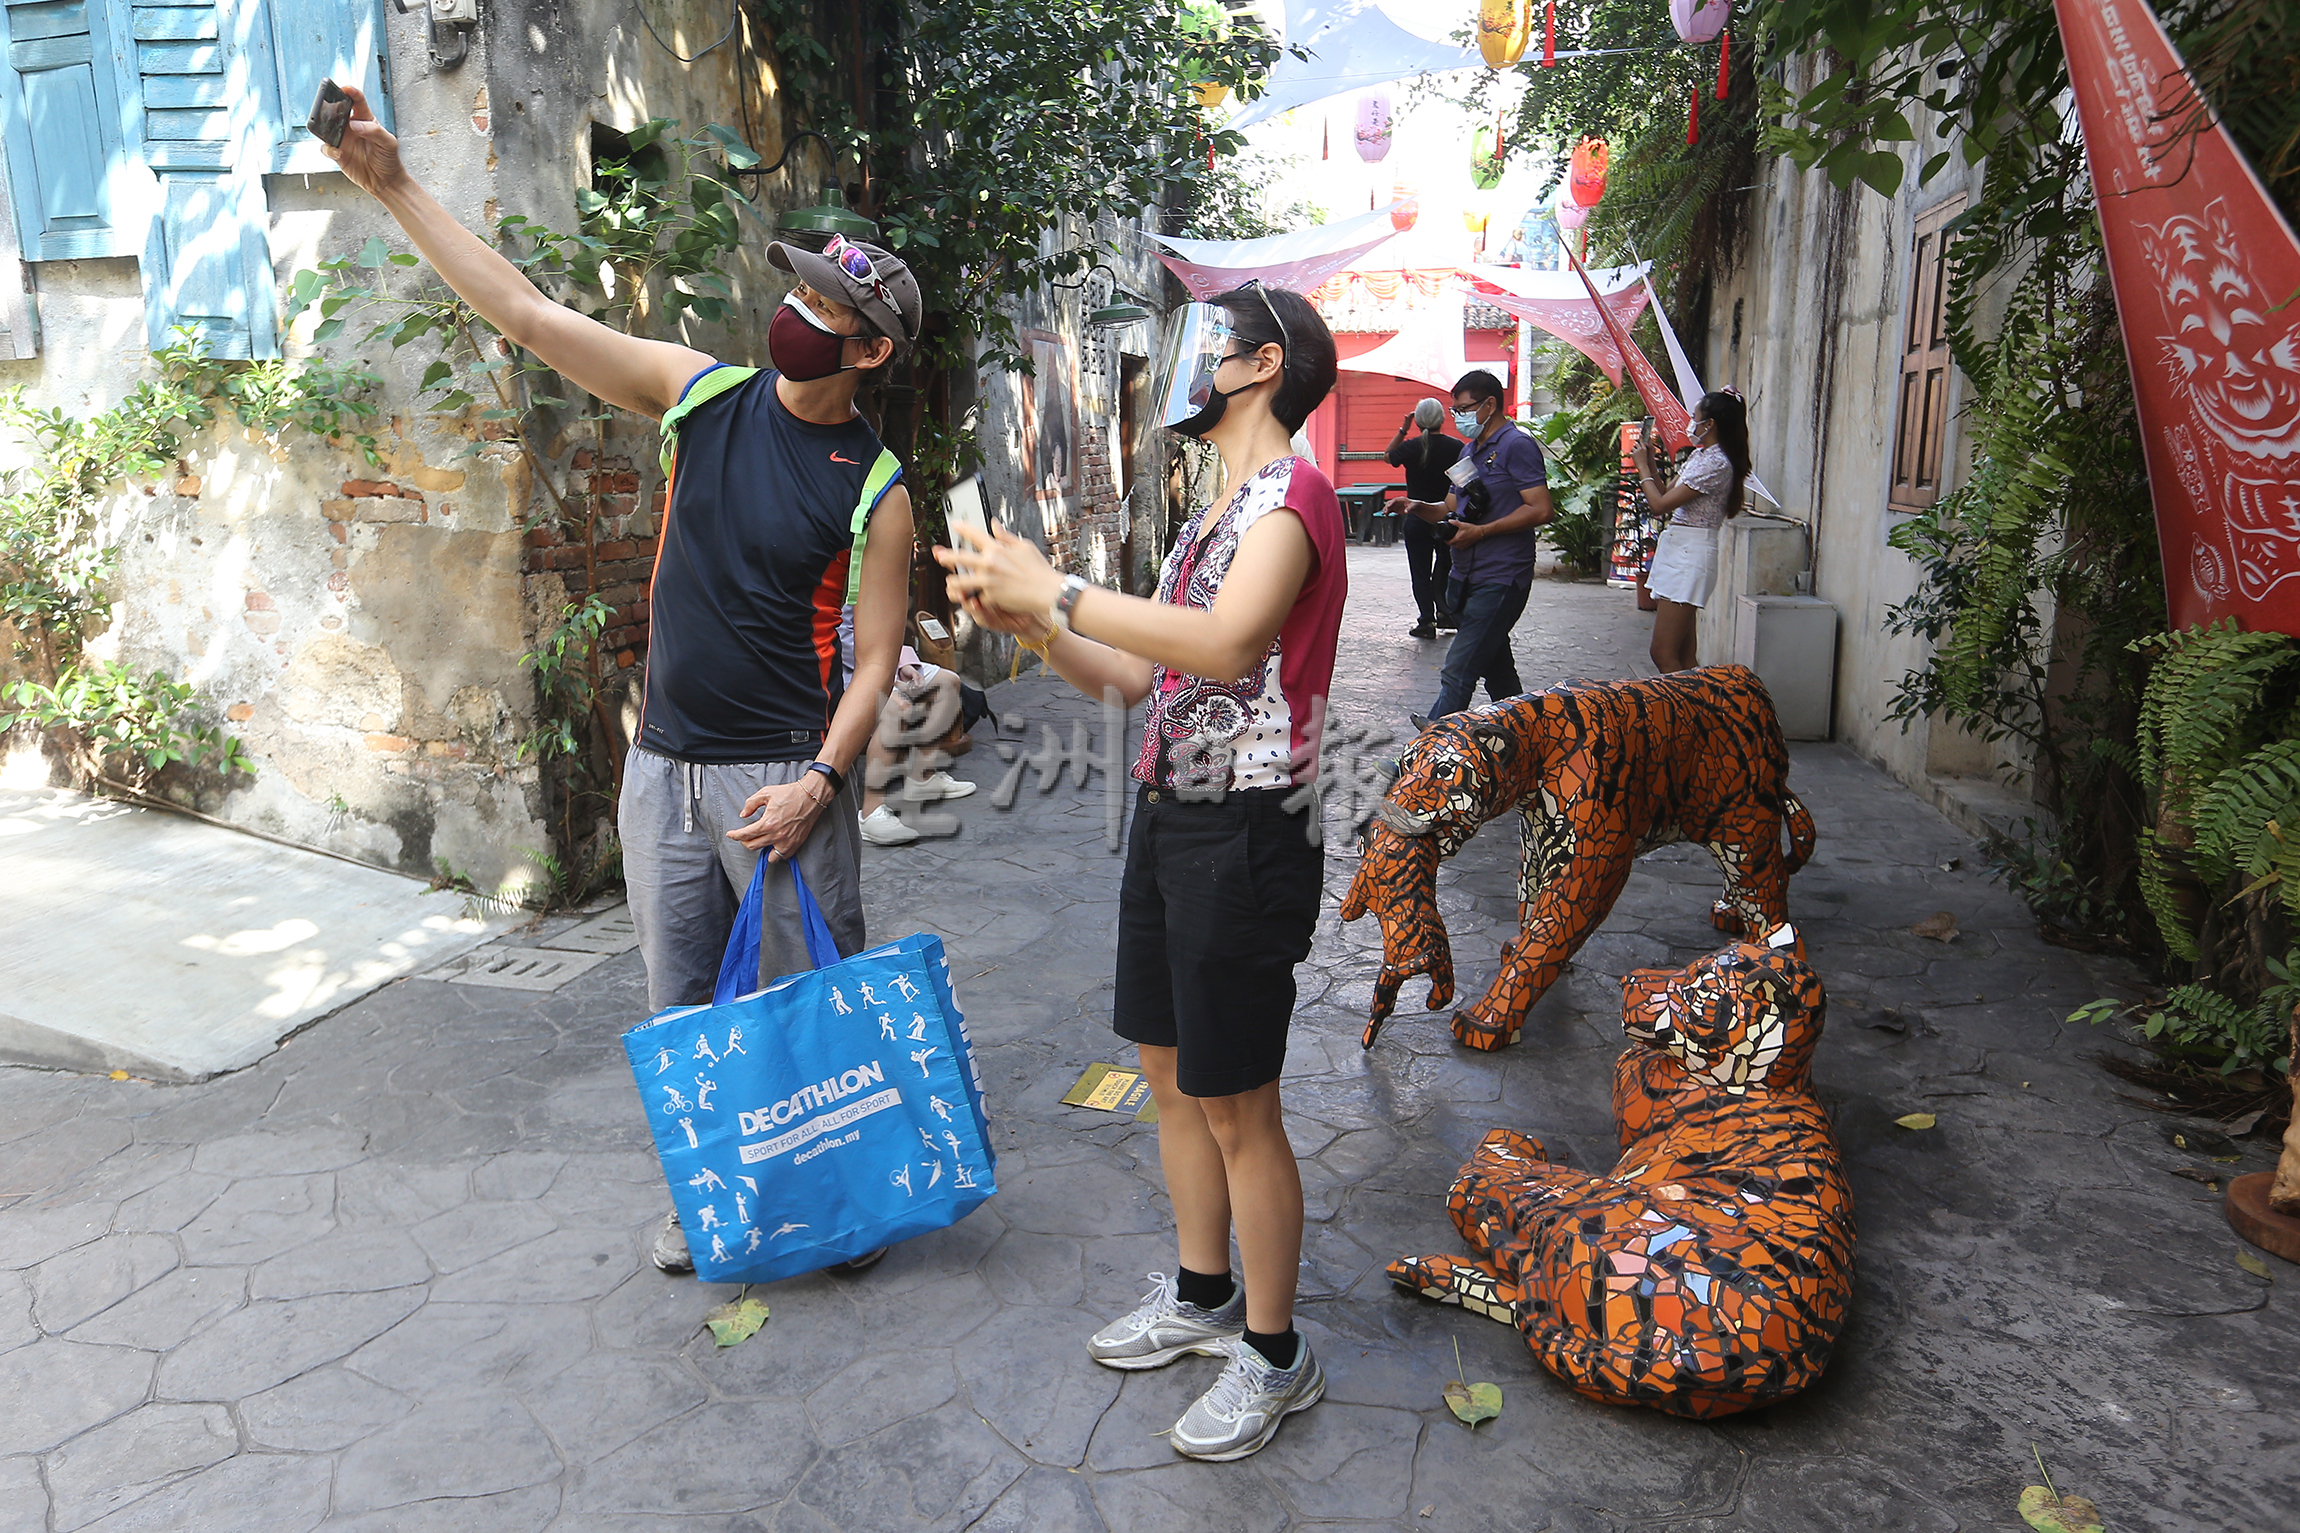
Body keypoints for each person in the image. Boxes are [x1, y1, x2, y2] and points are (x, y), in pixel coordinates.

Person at [321, 86, 920, 1277]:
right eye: (796, 289)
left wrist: (819, 781)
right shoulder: (697, 396)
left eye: (826, 306)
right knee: (682, 1007)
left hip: (780, 781)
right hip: (665, 773)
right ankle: (714, 1200)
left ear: (871, 348)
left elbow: (879, 658)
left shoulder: (877, 483)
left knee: (808, 1007)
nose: (795, 313)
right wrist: (390, 184)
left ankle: (833, 1199)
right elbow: (531, 317)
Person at [938, 281, 1344, 1462]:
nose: (1190, 367)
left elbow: (1224, 647)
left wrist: (1055, 584)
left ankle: (1276, 1354)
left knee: (1237, 1101)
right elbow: (1137, 681)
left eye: (1208, 348)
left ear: (1262, 365)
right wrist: (1035, 629)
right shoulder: (1211, 517)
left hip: (1250, 826)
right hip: (1169, 818)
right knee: (1169, 1079)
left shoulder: (1292, 497)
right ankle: (1203, 1292)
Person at [1407, 370, 1554, 724]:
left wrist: (1483, 532)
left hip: (1502, 574)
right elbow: (1449, 506)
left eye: (1464, 408)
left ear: (1490, 404)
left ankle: (1420, 756)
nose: (1459, 416)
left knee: (1458, 671)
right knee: (1499, 674)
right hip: (1465, 575)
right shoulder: (1470, 449)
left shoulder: (1516, 445)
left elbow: (1541, 508)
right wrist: (1414, 505)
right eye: (1454, 409)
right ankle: (1529, 740)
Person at [1633, 390, 1751, 673]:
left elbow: (1658, 505)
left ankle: (1684, 715)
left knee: (1662, 652)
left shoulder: (1716, 462)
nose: (1691, 423)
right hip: (1680, 549)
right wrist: (1649, 461)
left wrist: (1640, 469)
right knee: (1684, 659)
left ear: (1709, 425)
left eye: (1694, 418)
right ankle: (1700, 715)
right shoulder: (1702, 456)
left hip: (1689, 556)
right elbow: (1665, 492)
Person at [1385, 398, 1463, 638]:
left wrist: (1403, 428)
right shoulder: (1456, 447)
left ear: (1418, 421)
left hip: (1416, 516)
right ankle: (1445, 613)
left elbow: (1388, 456)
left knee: (1419, 571)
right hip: (1446, 516)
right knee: (1445, 565)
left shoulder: (1411, 447)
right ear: (1442, 419)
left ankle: (1426, 621)